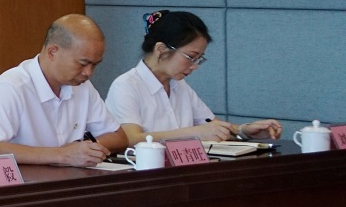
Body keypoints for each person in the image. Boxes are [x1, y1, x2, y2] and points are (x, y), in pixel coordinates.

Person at [0, 15, 130, 167]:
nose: (88, 73)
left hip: (71, 178)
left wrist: (84, 148)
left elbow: (119, 137)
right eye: (82, 63)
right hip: (27, 180)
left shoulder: (82, 86)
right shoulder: (13, 85)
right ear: (52, 52)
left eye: (95, 65)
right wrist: (62, 155)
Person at [106, 10, 281, 143]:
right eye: (190, 57)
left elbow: (212, 126)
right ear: (161, 49)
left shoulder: (179, 85)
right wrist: (194, 133)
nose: (195, 66)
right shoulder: (126, 86)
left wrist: (244, 131)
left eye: (199, 59)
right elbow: (130, 139)